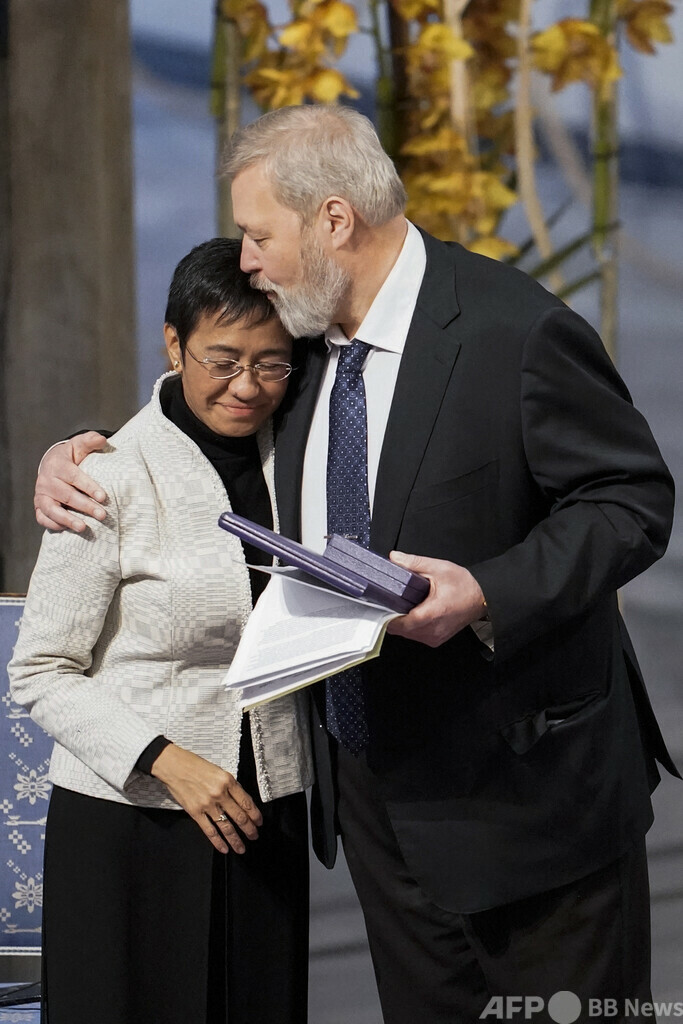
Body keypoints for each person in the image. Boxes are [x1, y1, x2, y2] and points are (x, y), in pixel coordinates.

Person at [34, 106, 677, 1022]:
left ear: (333, 221)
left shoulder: (515, 330)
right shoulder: (300, 344)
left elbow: (628, 501)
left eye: (259, 235)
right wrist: (81, 449)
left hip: (529, 804)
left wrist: (484, 591)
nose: (247, 259)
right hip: (378, 810)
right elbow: (205, 404)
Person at [10, 238, 313, 1024]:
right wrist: (166, 761)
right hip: (130, 815)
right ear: (174, 345)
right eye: (223, 360)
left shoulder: (303, 462)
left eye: (271, 364)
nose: (246, 386)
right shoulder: (105, 477)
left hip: (265, 808)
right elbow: (40, 670)